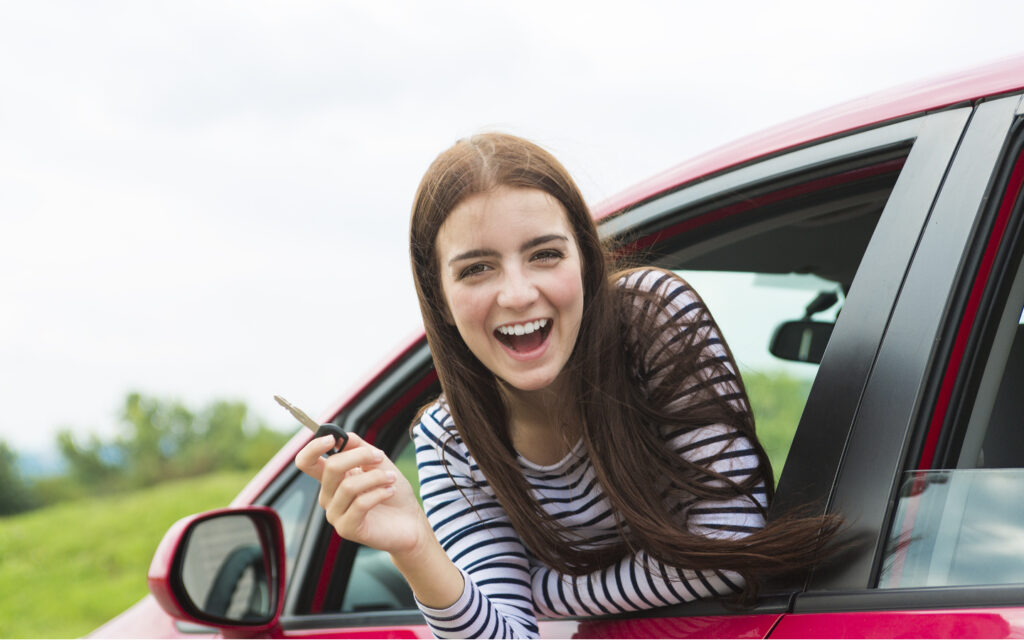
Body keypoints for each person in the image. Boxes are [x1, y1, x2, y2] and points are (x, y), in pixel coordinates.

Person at [295, 133, 838, 638]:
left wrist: (541, 592)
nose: (517, 293)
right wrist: (417, 551)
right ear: (439, 296)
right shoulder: (447, 439)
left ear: (583, 259)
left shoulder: (653, 318)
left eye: (545, 254)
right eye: (477, 268)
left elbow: (730, 548)